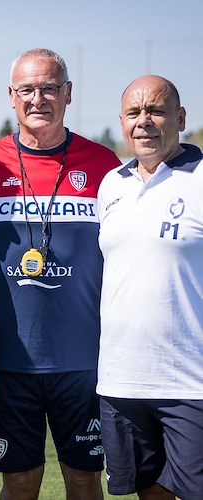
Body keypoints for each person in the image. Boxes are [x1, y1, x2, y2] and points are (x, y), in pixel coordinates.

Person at [0, 48, 121, 499]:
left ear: (68, 94)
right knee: (20, 481)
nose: (39, 98)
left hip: (85, 363)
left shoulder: (104, 165)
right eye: (27, 89)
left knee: (85, 480)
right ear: (11, 97)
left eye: (50, 87)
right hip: (9, 364)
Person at [97, 75, 203, 499]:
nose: (145, 122)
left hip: (192, 383)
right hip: (121, 381)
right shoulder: (111, 185)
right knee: (148, 492)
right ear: (122, 122)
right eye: (134, 113)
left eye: (156, 111)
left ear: (179, 118)